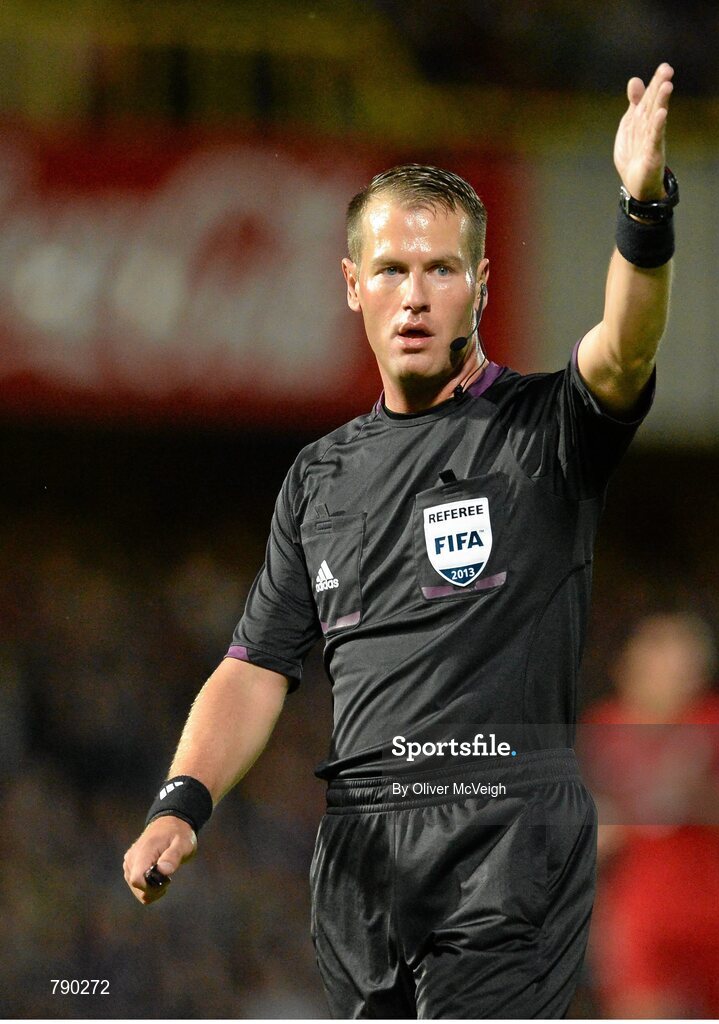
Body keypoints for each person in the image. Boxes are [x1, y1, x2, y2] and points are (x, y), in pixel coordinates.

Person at [124, 64, 677, 1018]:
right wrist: (181, 801)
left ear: (481, 286)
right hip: (361, 852)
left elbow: (625, 348)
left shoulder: (544, 431)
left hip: (506, 831)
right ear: (352, 286)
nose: (414, 297)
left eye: (440, 270)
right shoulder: (320, 477)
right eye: (390, 270)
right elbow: (255, 666)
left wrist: (643, 207)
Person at [581, 612, 719, 1018]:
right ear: (629, 663)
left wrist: (708, 798)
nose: (677, 667)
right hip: (639, 909)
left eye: (689, 656)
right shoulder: (603, 728)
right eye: (663, 652)